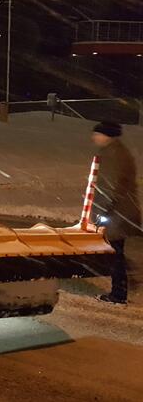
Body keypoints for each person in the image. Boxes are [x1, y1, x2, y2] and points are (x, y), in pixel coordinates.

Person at [91, 121, 141, 304]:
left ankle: (118, 294)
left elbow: (111, 188)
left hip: (116, 213)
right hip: (121, 212)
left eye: (97, 134)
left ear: (107, 135)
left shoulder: (114, 155)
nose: (94, 137)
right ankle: (126, 279)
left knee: (113, 253)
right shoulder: (116, 152)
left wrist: (102, 212)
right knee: (115, 251)